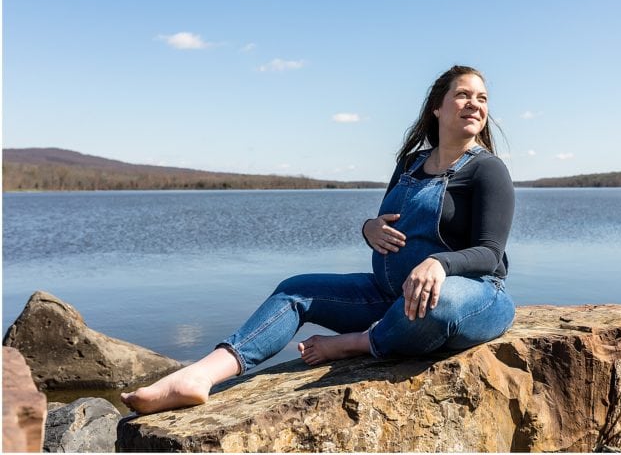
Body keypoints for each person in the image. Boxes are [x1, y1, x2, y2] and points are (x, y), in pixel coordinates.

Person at [121, 66, 515, 414]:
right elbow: (383, 222)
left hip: (477, 294)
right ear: (437, 107)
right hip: (388, 293)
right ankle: (201, 375)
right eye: (462, 95)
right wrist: (368, 228)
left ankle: (357, 342)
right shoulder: (410, 163)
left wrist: (439, 264)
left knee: (436, 306)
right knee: (295, 291)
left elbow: (489, 253)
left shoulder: (487, 170)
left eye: (481, 98)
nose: (474, 104)